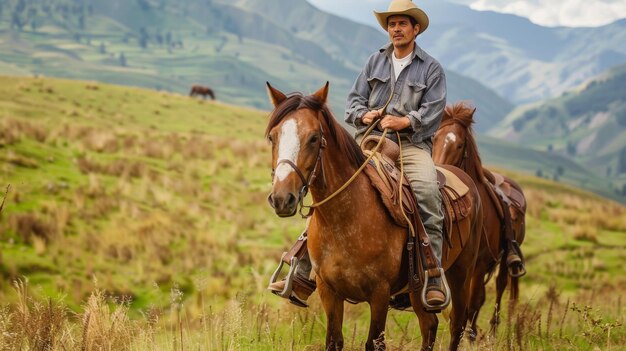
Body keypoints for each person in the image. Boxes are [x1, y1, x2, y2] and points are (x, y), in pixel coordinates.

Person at [269, 0, 448, 309]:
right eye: (392, 24)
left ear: (415, 29)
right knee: (331, 188)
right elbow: (353, 103)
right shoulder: (374, 62)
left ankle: (431, 273)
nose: (396, 29)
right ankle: (302, 269)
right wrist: (365, 116)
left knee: (428, 194)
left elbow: (434, 112)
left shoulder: (430, 68)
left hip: (411, 145)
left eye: (402, 24)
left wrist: (406, 121)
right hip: (370, 141)